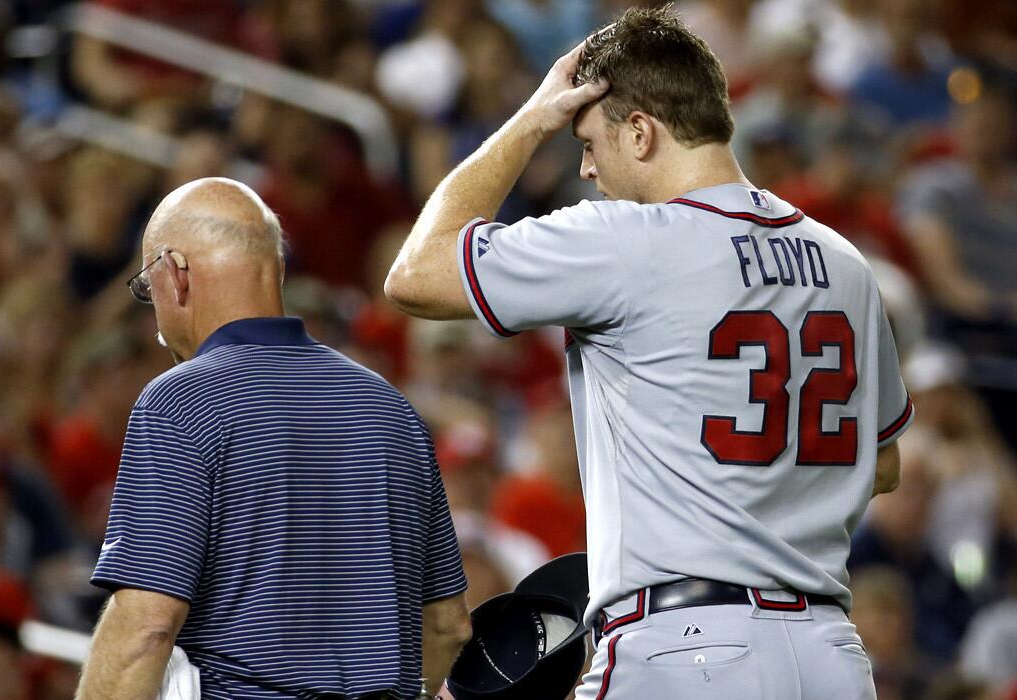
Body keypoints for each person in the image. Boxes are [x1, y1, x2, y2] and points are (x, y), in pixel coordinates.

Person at [385, 7, 912, 699]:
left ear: (640, 132)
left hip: (685, 647)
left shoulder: (622, 239)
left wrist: (531, 120)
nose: (583, 164)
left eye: (587, 140)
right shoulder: (845, 261)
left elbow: (415, 275)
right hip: (830, 655)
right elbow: (883, 465)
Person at [75, 177, 470, 699]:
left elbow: (146, 630)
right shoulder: (391, 408)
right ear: (276, 271)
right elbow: (448, 628)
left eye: (148, 289)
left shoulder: (180, 400)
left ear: (175, 276)